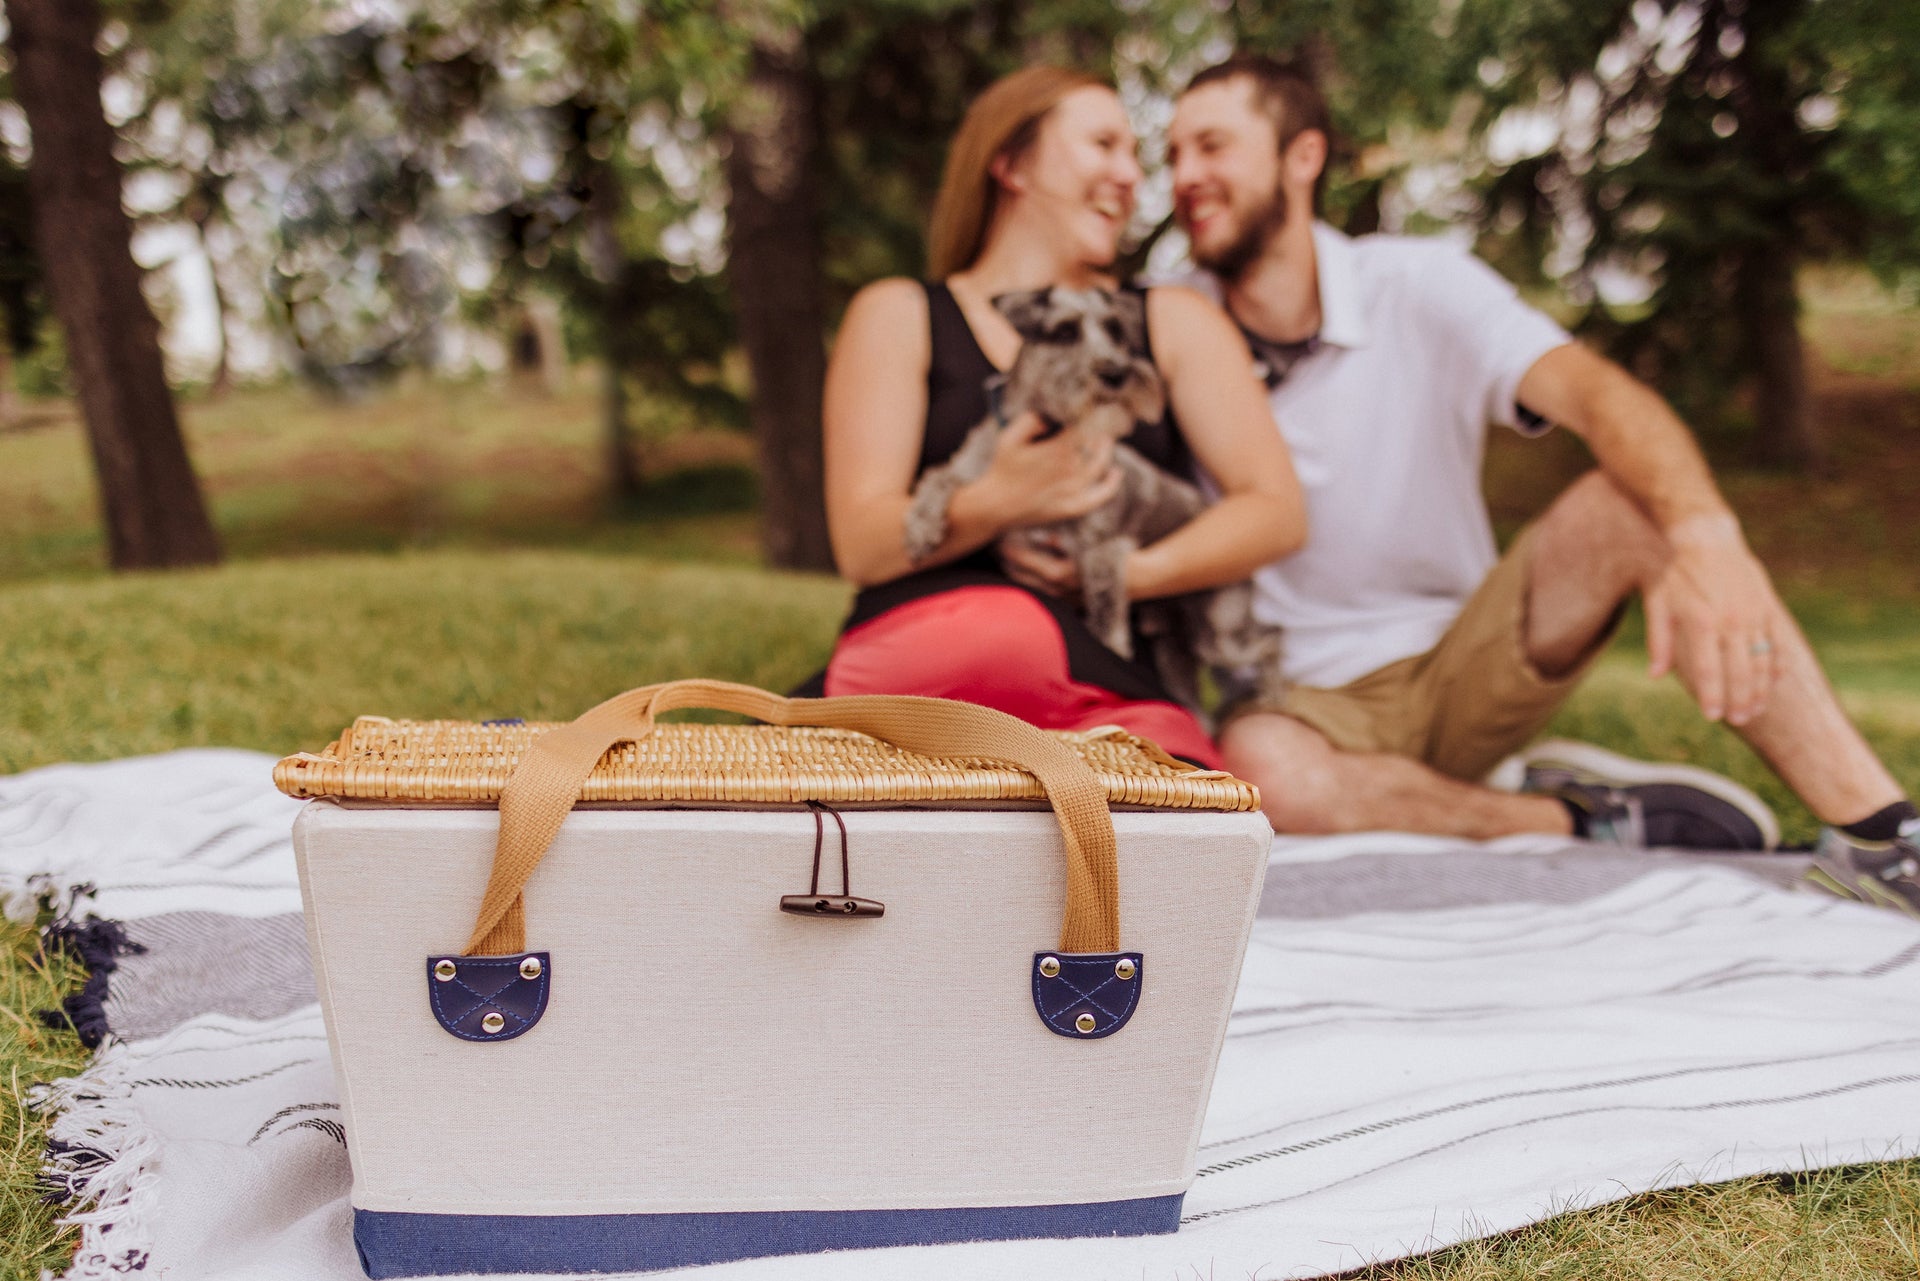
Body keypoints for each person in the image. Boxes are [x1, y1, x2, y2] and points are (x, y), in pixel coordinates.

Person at [1161, 53, 1920, 908]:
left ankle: (1883, 836)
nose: (1186, 176)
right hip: (1296, 698)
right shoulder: (1166, 326)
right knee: (1262, 775)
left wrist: (1711, 541)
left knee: (1624, 504)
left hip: (1464, 658)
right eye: (1174, 155)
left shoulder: (1414, 284)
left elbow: (1601, 397)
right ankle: (1574, 817)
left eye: (1213, 147)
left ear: (1302, 157)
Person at [819, 66, 1305, 770]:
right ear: (1011, 164)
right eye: (1104, 144)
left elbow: (1275, 511)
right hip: (941, 639)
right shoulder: (900, 315)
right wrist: (996, 500)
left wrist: (1126, 574)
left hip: (1108, 676)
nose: (1131, 176)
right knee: (1008, 635)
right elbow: (863, 544)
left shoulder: (1170, 320)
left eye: (1136, 156)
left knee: (1199, 812)